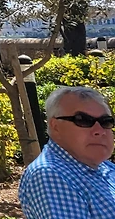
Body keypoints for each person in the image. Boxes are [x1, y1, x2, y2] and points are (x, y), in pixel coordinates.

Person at [19, 86, 115, 218]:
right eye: (83, 120)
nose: (99, 130)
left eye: (106, 122)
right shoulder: (50, 174)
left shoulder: (105, 167)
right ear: (55, 126)